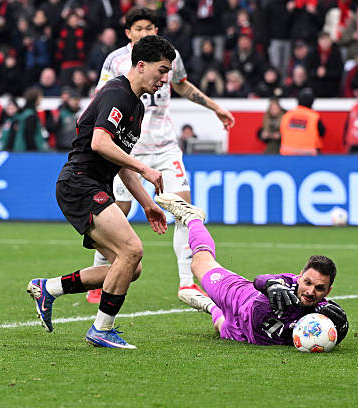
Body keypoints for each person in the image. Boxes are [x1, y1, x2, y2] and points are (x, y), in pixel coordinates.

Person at [27, 35, 173, 349]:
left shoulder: (136, 106)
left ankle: (49, 288)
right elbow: (100, 143)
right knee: (131, 250)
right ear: (141, 65)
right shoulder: (117, 93)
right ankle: (102, 329)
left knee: (131, 266)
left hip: (92, 185)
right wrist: (145, 168)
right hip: (80, 183)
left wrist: (147, 204)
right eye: (161, 70)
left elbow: (118, 162)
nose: (164, 79)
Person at [90, 7, 235, 304]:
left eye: (149, 28)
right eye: (139, 28)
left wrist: (215, 107)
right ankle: (99, 275)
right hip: (129, 149)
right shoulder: (116, 60)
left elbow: (181, 85)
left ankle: (186, 283)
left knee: (184, 210)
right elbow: (102, 97)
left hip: (165, 146)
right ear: (128, 32)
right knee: (117, 212)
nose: (145, 33)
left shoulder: (171, 56)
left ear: (156, 30)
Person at [154, 193, 349, 347]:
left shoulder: (322, 315)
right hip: (238, 296)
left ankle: (208, 305)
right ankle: (193, 218)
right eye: (308, 282)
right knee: (199, 263)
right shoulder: (286, 285)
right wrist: (270, 284)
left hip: (242, 333)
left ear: (328, 292)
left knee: (220, 324)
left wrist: (339, 330)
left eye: (319, 288)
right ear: (300, 277)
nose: (310, 291)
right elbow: (260, 280)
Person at [279, 88, 325, 155]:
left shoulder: (287, 115)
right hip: (308, 154)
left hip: (287, 154)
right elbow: (322, 132)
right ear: (312, 102)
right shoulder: (314, 116)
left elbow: (281, 131)